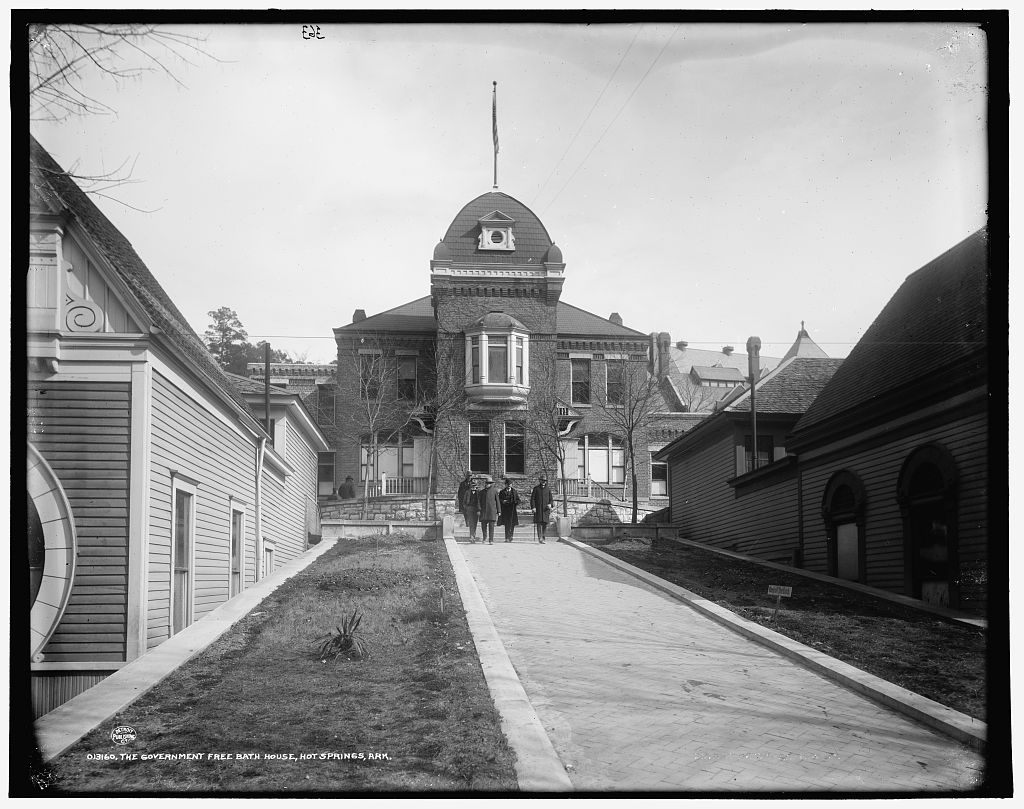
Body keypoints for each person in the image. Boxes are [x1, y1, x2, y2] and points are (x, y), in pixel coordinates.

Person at [478, 475, 501, 545]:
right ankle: (485, 537)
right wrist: (479, 510)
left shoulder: (494, 491)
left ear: (491, 484)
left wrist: (499, 511)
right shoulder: (481, 492)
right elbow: (479, 502)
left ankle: (491, 540)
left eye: (489, 483)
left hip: (491, 512)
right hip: (484, 512)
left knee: (491, 527)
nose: (487, 484)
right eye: (486, 483)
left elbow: (497, 501)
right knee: (483, 526)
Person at [531, 475, 554, 544]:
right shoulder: (536, 489)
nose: (544, 482)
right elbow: (532, 499)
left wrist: (550, 504)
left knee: (545, 524)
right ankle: (540, 538)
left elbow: (551, 499)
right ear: (540, 481)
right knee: (538, 524)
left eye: (545, 481)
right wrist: (533, 507)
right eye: (542, 480)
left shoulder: (548, 489)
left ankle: (543, 537)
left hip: (545, 510)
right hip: (538, 510)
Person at [497, 477, 520, 542]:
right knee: (506, 524)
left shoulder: (514, 492)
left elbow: (518, 500)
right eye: (508, 484)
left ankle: (511, 536)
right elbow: (499, 500)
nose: (509, 485)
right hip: (505, 510)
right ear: (506, 484)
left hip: (512, 510)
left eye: (510, 484)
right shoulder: (502, 492)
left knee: (512, 524)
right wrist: (502, 501)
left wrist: (516, 502)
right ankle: (506, 537)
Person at [462, 477, 480, 543]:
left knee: (475, 523)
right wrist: (466, 508)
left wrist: (479, 510)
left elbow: (480, 502)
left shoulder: (478, 493)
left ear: (476, 486)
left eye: (474, 485)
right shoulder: (467, 492)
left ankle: (474, 536)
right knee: (471, 523)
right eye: (472, 485)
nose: (473, 487)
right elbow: (464, 502)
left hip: (476, 509)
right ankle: (471, 536)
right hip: (469, 509)